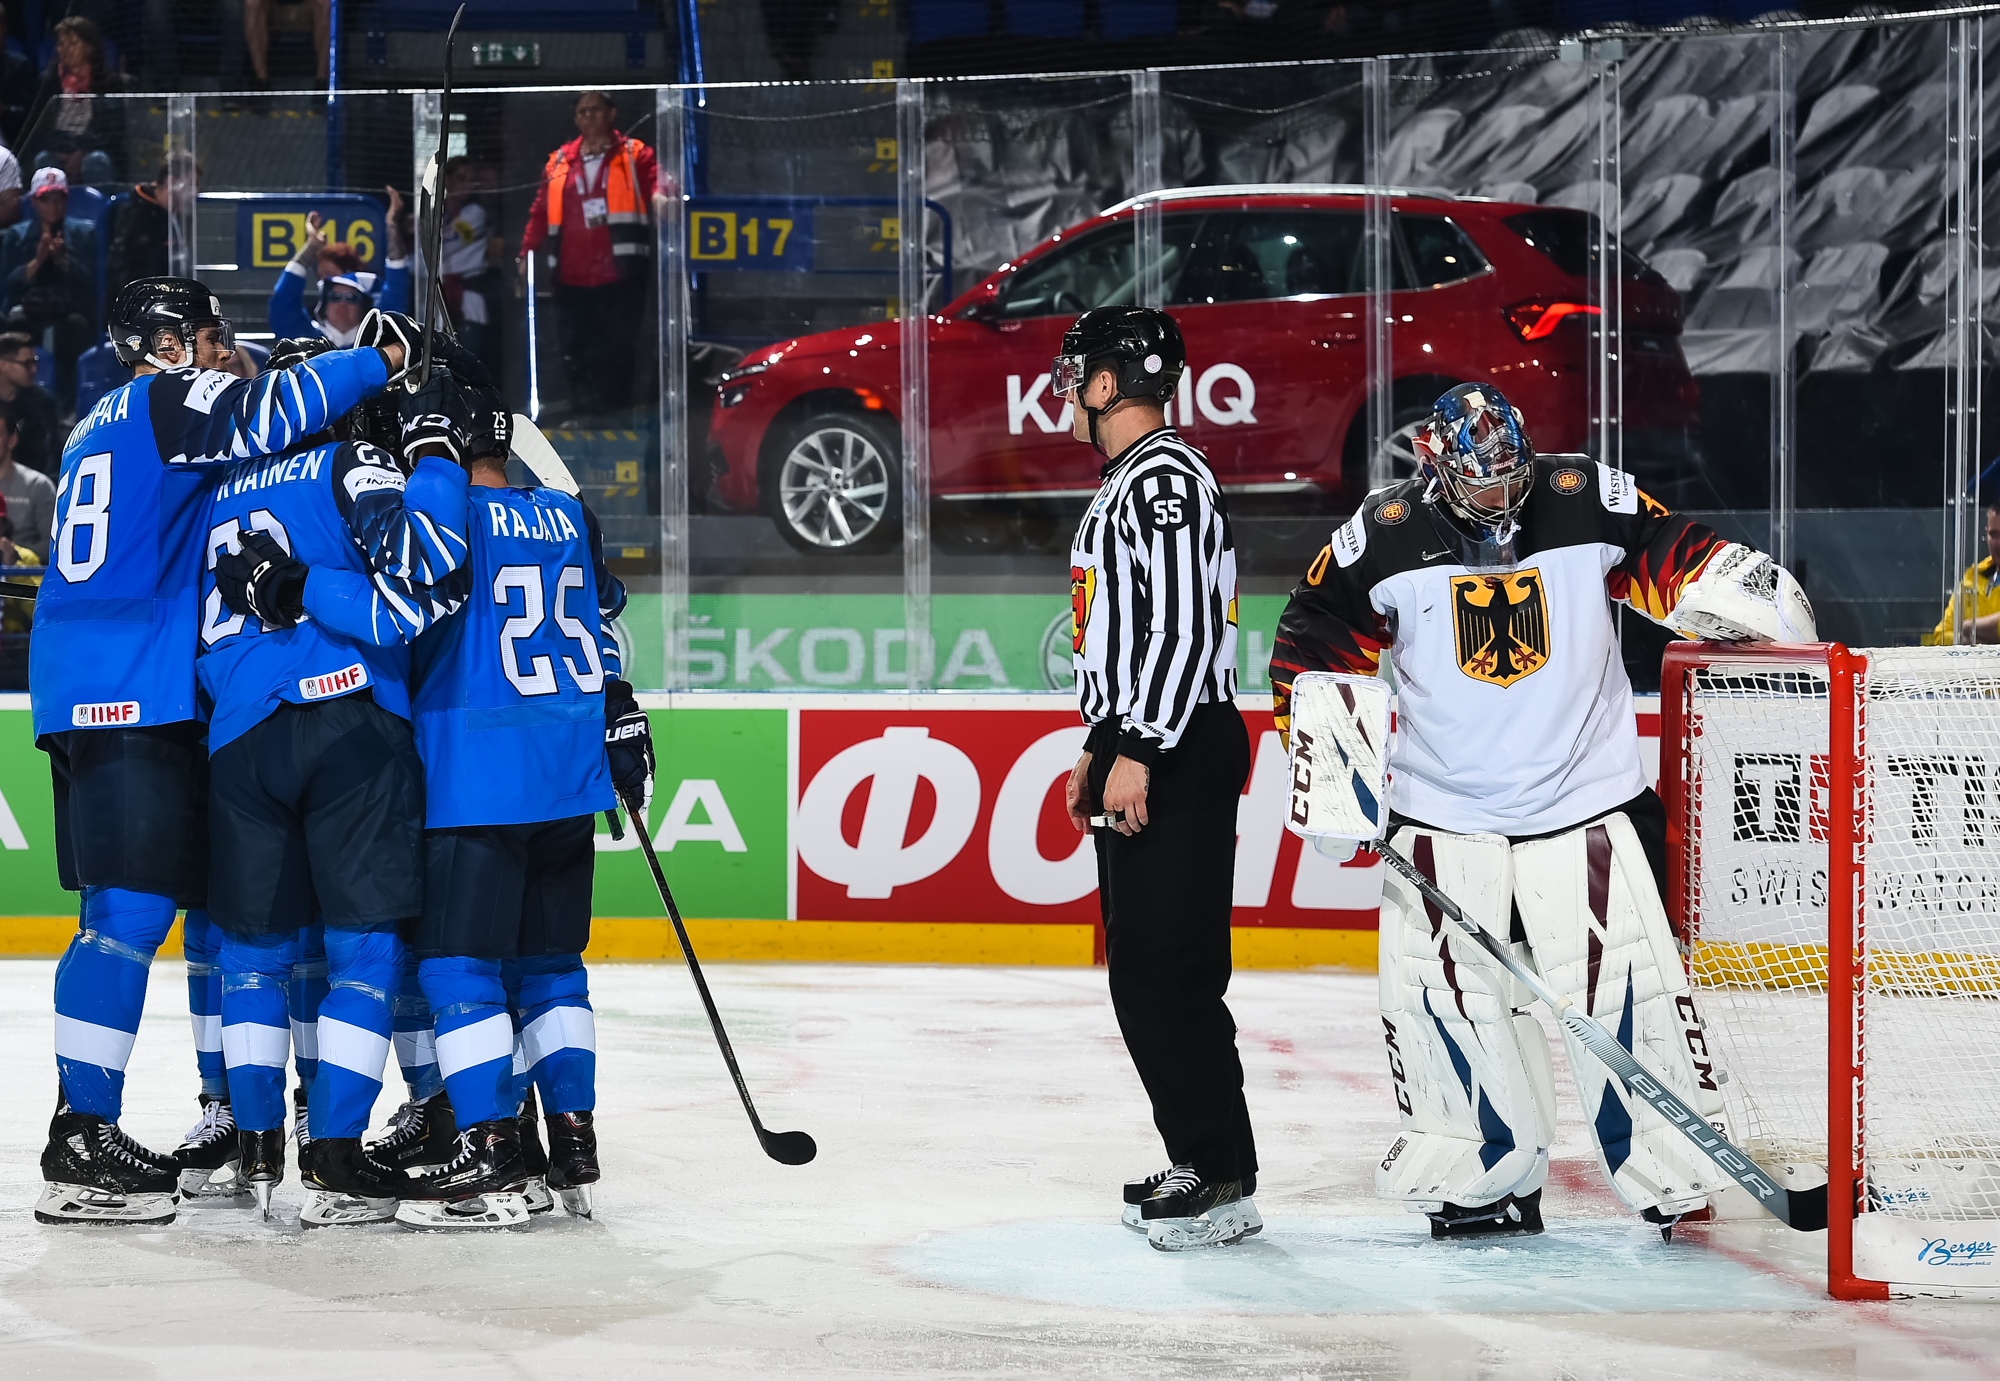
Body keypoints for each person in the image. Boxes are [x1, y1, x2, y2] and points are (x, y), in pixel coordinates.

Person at [1269, 383, 1814, 1240]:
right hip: (1443, 816)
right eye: (1482, 480)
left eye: (1511, 474)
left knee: (1627, 993)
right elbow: (1308, 641)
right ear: (1435, 467)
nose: (1502, 494)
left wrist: (1738, 587)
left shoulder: (1581, 495)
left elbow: (1674, 551)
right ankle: (1486, 1175)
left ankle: (1673, 1171)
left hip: (1587, 803)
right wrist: (1331, 766)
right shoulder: (1380, 535)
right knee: (1449, 1007)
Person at [27, 276, 407, 1227]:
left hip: (95, 680)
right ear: (163, 343)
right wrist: (379, 359)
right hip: (129, 687)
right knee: (126, 915)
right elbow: (274, 405)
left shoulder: (94, 423)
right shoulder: (165, 399)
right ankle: (80, 1136)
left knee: (165, 907)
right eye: (204, 335)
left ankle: (193, 1117)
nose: (219, 350)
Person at [199, 333, 468, 1225]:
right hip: (349, 717)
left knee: (251, 955)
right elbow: (424, 568)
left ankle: (253, 1146)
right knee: (362, 949)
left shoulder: (213, 493)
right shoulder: (349, 459)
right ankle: (338, 1154)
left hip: (238, 735)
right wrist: (434, 449)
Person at [378, 364, 634, 1227]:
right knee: (553, 970)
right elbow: (607, 608)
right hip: (567, 773)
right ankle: (573, 1143)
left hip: (473, 776)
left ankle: (491, 1154)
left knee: (458, 968)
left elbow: (411, 601)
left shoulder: (446, 511)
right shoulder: (569, 512)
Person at [1054, 306, 1259, 1252]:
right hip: (1149, 735)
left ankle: (1218, 1174)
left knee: (1169, 971)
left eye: (1082, 371)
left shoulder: (1165, 480)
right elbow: (1129, 638)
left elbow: (1182, 629)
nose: (1071, 387)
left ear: (1110, 383)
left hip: (1178, 743)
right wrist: (1101, 741)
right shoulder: (1131, 482)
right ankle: (1203, 1156)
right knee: (1144, 970)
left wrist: (1139, 745)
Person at [519, 91, 658, 420]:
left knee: (619, 352)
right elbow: (540, 211)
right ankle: (585, 418)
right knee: (575, 353)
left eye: (595, 109)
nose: (589, 116)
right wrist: (526, 253)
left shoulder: (634, 152)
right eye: (582, 111)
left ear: (611, 113)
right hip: (570, 279)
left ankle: (618, 416)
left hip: (620, 277)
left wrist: (663, 199)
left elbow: (656, 182)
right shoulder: (558, 161)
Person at [3, 168, 97, 404]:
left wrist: (64, 262)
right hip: (28, 310)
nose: (53, 206)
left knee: (76, 327)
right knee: (14, 325)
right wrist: (37, 261)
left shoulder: (84, 233)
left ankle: (67, 404)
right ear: (35, 201)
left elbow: (92, 286)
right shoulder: (16, 235)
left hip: (69, 310)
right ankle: (18, 400)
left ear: (66, 200)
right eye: (46, 199)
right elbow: (8, 286)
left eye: (59, 198)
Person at [268, 195, 411, 345]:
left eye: (351, 297)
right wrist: (310, 247)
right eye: (335, 296)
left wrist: (391, 225)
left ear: (364, 306)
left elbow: (396, 294)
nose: (342, 303)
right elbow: (282, 304)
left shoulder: (379, 339)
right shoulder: (306, 340)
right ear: (324, 304)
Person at [23, 17, 125, 188]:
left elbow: (112, 131)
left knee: (96, 161)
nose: (64, 49)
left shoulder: (109, 82)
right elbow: (37, 127)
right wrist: (63, 151)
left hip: (93, 150)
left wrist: (80, 152)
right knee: (44, 160)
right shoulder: (48, 82)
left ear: (89, 47)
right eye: (61, 44)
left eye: (72, 43)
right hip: (57, 148)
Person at [0, 331, 66, 479]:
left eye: (34, 362)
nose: (34, 370)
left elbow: (53, 452)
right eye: (27, 364)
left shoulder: (42, 402)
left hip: (34, 485)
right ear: (3, 364)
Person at [1934, 503, 2000, 644]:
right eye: (1993, 535)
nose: (1998, 543)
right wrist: (1970, 642)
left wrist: (1968, 627)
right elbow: (1940, 636)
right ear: (1986, 534)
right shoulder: (1973, 577)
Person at [0, 404, 53, 559]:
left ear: (12, 441)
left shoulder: (39, 486)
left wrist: (14, 553)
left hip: (25, 576)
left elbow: (52, 544)